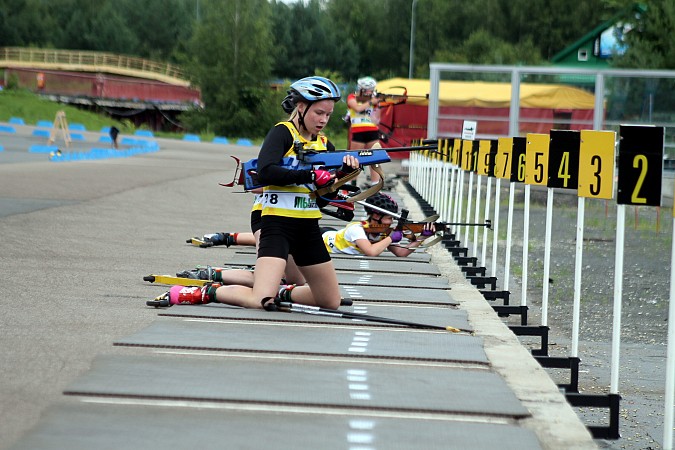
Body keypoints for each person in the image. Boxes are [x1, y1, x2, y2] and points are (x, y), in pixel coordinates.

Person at [167, 76, 357, 309]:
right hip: (276, 224)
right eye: (319, 113)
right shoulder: (282, 133)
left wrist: (343, 174)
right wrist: (309, 175)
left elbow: (322, 190)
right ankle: (206, 292)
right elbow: (266, 171)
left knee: (330, 301)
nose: (323, 120)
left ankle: (283, 294)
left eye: (328, 115)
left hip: (308, 227)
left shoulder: (324, 145)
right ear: (301, 106)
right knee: (260, 300)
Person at [322, 193, 435, 257]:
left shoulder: (384, 232)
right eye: (389, 218)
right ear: (376, 216)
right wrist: (390, 238)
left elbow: (401, 253)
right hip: (322, 239)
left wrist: (422, 237)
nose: (391, 222)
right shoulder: (356, 229)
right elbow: (371, 252)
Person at [346, 76, 382, 187]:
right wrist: (371, 102)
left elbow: (377, 119)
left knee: (375, 158)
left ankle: (376, 185)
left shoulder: (374, 99)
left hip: (372, 131)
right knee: (354, 159)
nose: (368, 92)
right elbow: (357, 108)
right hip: (358, 131)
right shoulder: (352, 97)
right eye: (366, 90)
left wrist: (377, 104)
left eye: (371, 90)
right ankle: (351, 184)